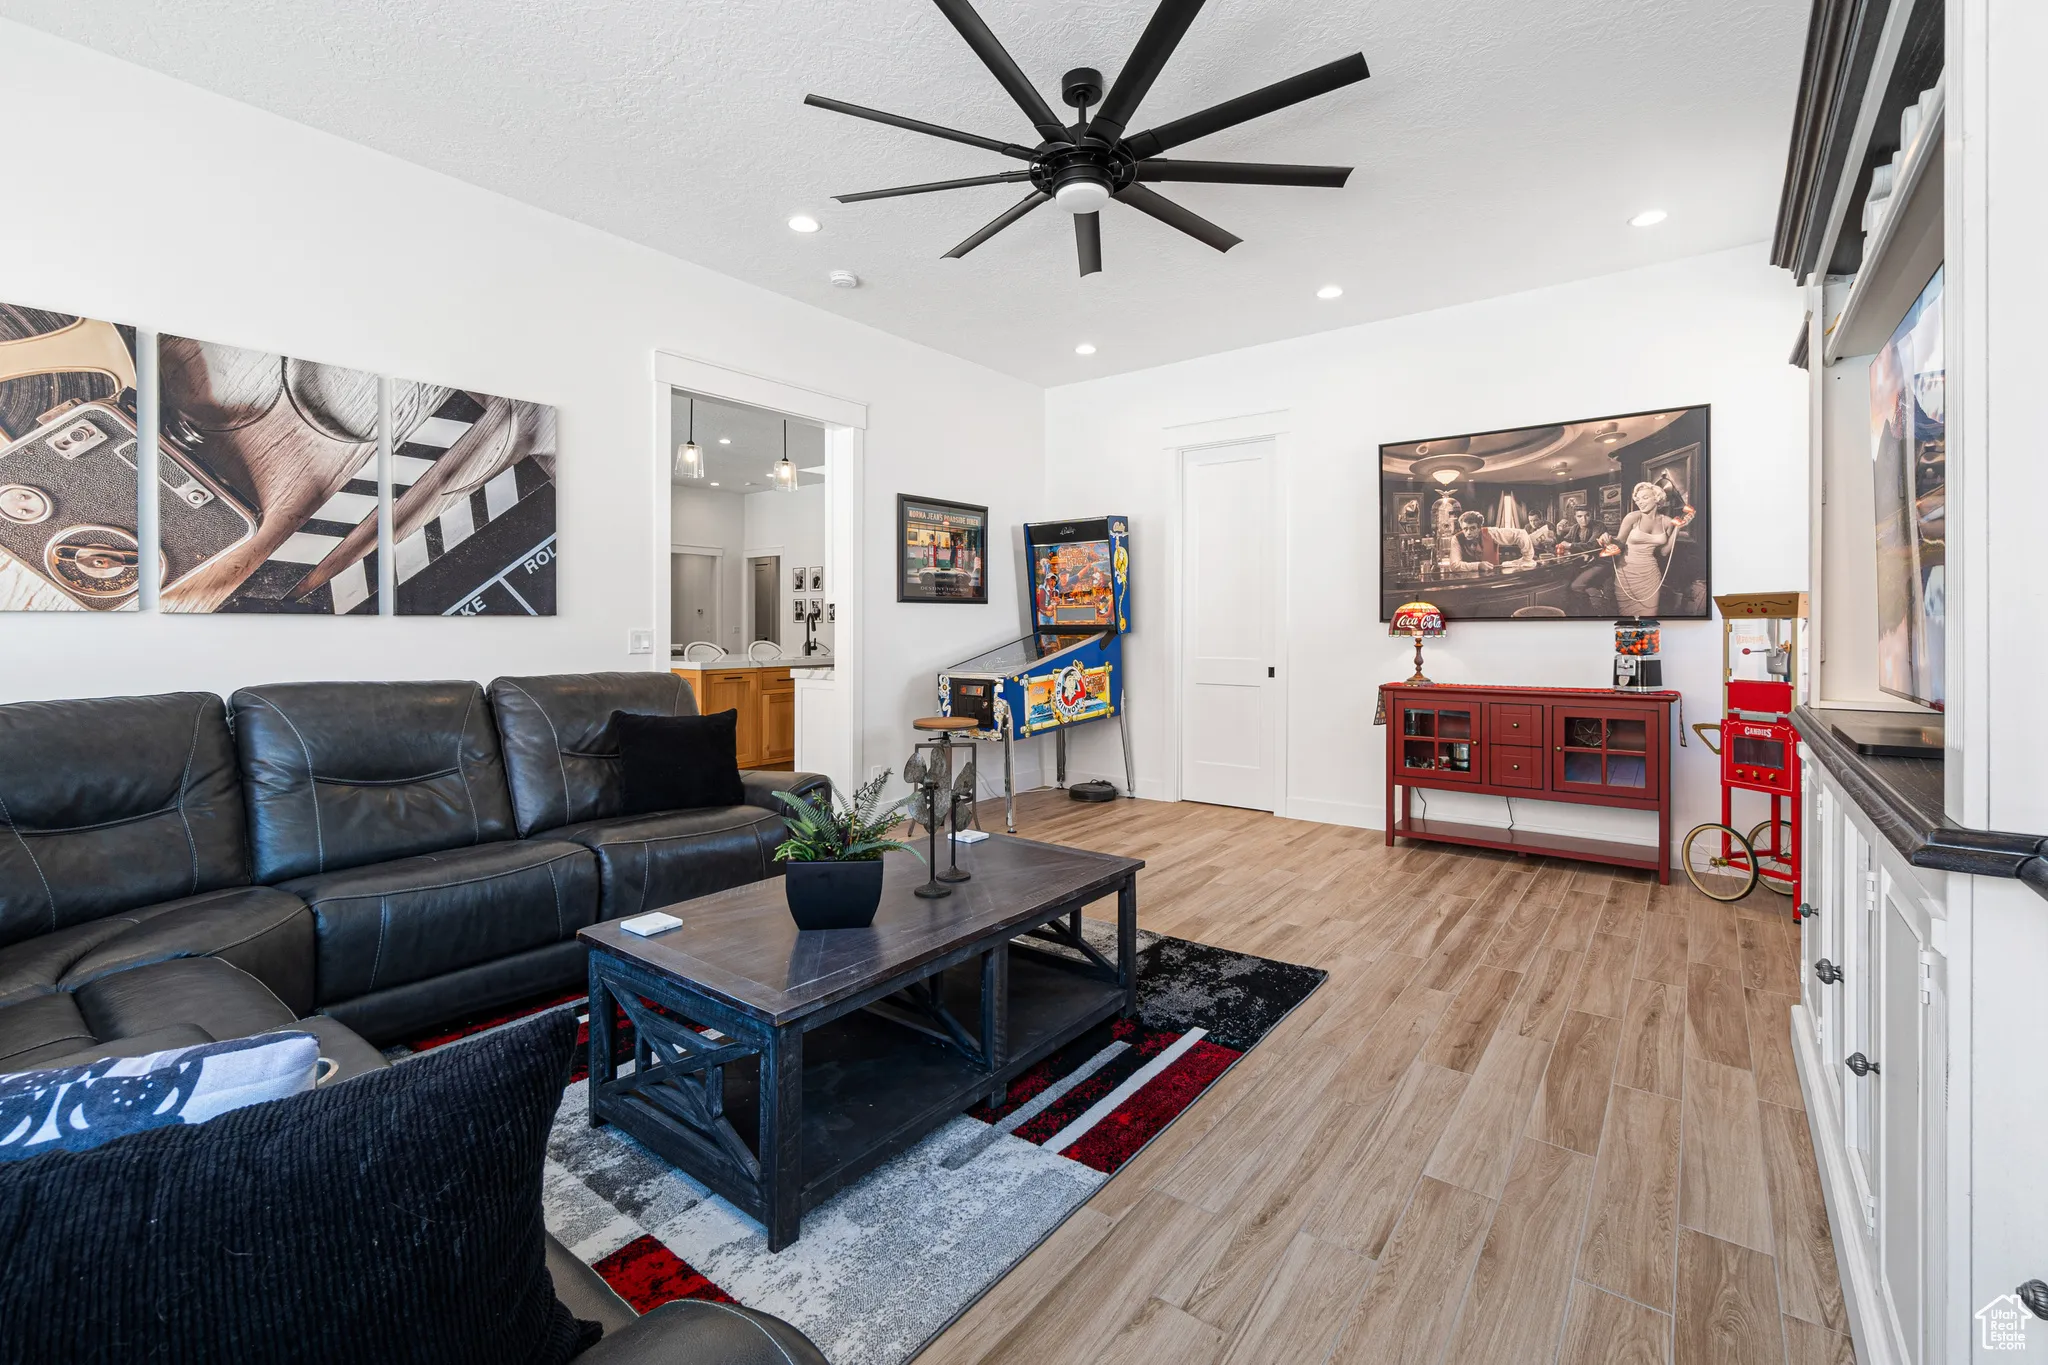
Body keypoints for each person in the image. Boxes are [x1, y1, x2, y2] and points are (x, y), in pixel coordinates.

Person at [1613, 480, 1690, 616]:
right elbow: (1618, 543)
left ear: (1657, 498)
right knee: (1627, 620)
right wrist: (1608, 541)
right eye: (1637, 499)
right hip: (1627, 574)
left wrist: (1677, 529)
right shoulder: (1632, 517)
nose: (1640, 502)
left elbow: (1665, 552)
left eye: (1645, 497)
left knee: (1649, 618)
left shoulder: (1666, 521)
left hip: (1650, 576)